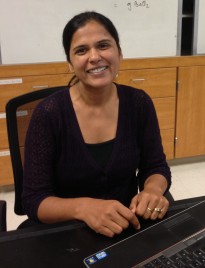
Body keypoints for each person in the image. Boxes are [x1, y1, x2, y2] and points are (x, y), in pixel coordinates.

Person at [22, 11, 171, 238]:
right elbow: (34, 200)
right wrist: (85, 208)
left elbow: (156, 167)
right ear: (70, 64)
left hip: (127, 226)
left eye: (103, 45)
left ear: (119, 53)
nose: (94, 57)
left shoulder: (138, 103)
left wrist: (152, 190)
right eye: (81, 50)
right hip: (69, 233)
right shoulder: (49, 114)